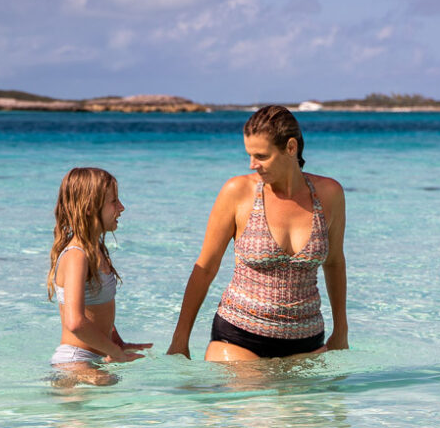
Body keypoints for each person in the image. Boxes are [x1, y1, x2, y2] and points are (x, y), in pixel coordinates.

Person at [167, 105, 348, 361]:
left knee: (316, 404)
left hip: (307, 342)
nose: (253, 165)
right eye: (249, 155)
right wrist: (179, 340)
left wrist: (341, 330)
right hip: (240, 338)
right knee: (253, 401)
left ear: (291, 148)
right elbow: (206, 267)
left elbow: (335, 262)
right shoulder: (238, 192)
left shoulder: (330, 194)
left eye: (261, 156)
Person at [48, 167, 151, 368]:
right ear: (89, 207)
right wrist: (114, 353)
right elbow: (75, 323)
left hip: (90, 359)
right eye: (114, 202)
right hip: (75, 360)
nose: (122, 207)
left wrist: (116, 342)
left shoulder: (95, 250)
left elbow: (94, 309)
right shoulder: (77, 256)